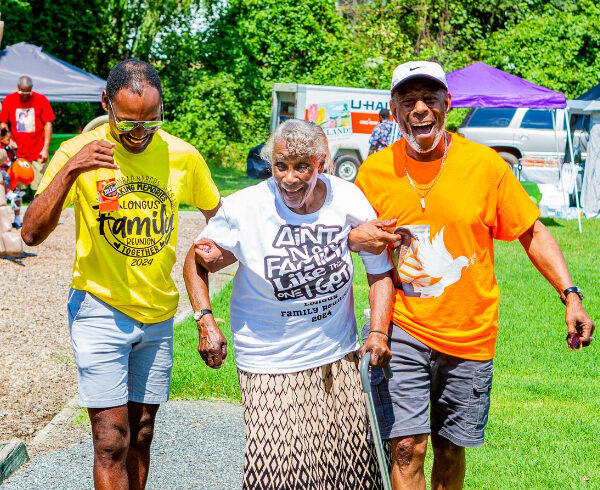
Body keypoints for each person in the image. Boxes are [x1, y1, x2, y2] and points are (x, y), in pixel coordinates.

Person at [350, 60, 595, 490]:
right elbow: (341, 235)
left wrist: (570, 294)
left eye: (430, 99)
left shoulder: (485, 166)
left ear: (449, 104)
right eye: (408, 101)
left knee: (449, 447)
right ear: (393, 111)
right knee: (406, 447)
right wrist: (356, 236)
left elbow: (531, 232)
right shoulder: (373, 173)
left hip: (469, 333)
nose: (420, 109)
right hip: (401, 327)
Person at [21, 59, 220, 490]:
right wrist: (74, 169)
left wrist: (204, 304)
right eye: (128, 121)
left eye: (151, 121)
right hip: (99, 307)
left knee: (143, 432)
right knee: (111, 441)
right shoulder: (79, 151)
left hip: (158, 314)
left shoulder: (183, 156)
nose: (139, 132)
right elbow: (32, 233)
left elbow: (222, 224)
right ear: (106, 103)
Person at [183, 119, 395, 489]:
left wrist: (377, 332)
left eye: (302, 167)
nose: (290, 178)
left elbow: (379, 272)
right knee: (280, 475)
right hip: (269, 362)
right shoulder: (246, 208)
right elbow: (197, 259)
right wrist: (205, 321)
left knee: (351, 473)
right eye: (281, 165)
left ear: (322, 163)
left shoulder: (347, 198)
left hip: (338, 356)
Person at [0, 76, 55, 202]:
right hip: (17, 153)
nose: (24, 96)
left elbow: (48, 124)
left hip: (38, 152)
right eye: (22, 92)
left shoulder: (41, 100)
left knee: (41, 187)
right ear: (18, 87)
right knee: (18, 188)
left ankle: (40, 212)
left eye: (27, 92)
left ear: (31, 89)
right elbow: (3, 123)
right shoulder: (9, 100)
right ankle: (18, 215)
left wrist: (45, 149)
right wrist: (8, 140)